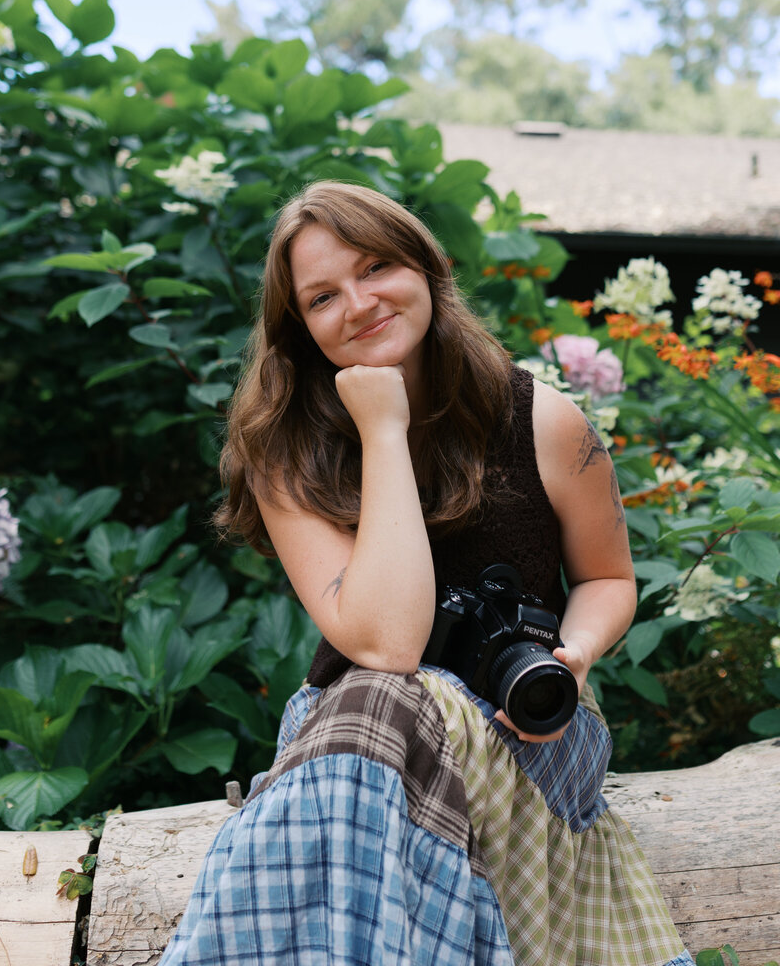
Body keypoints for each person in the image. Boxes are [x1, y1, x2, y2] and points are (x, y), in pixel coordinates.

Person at [160, 181, 694, 966]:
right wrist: (382, 428)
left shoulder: (542, 421)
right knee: (383, 696)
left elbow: (609, 579)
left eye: (376, 266)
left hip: (530, 727)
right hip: (363, 741)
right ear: (301, 329)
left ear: (428, 265)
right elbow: (387, 644)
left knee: (383, 704)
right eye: (322, 297)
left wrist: (571, 658)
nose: (360, 302)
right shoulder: (285, 454)